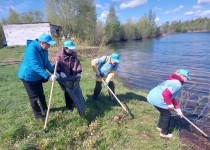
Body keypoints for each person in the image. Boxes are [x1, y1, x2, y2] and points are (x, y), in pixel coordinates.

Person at [18, 34, 59, 120]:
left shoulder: (44, 49)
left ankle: (45, 109)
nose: (49, 46)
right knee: (34, 97)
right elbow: (35, 65)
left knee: (41, 94)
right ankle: (38, 115)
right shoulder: (31, 49)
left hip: (37, 75)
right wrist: (48, 76)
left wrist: (54, 72)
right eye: (48, 44)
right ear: (41, 42)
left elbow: (46, 62)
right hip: (28, 76)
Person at [147, 69, 191, 138]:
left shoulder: (172, 79)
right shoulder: (178, 84)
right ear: (182, 76)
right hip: (157, 99)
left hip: (151, 96)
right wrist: (169, 104)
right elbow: (165, 94)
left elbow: (171, 96)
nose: (187, 80)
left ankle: (160, 127)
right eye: (186, 78)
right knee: (167, 114)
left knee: (164, 112)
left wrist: (178, 109)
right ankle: (164, 133)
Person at [54, 40, 84, 114]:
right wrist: (60, 72)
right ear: (65, 48)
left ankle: (74, 101)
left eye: (72, 48)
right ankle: (69, 105)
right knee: (67, 91)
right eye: (70, 49)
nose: (71, 50)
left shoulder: (74, 54)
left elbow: (78, 63)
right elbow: (55, 65)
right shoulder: (59, 55)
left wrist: (78, 72)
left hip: (72, 75)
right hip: (64, 76)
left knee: (73, 89)